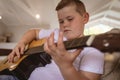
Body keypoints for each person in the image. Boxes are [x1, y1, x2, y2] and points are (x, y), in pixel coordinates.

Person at [0, 0, 104, 80]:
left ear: (85, 18)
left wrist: (66, 66)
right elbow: (34, 32)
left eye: (70, 19)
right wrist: (22, 42)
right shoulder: (56, 33)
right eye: (61, 21)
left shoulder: (93, 52)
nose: (65, 24)